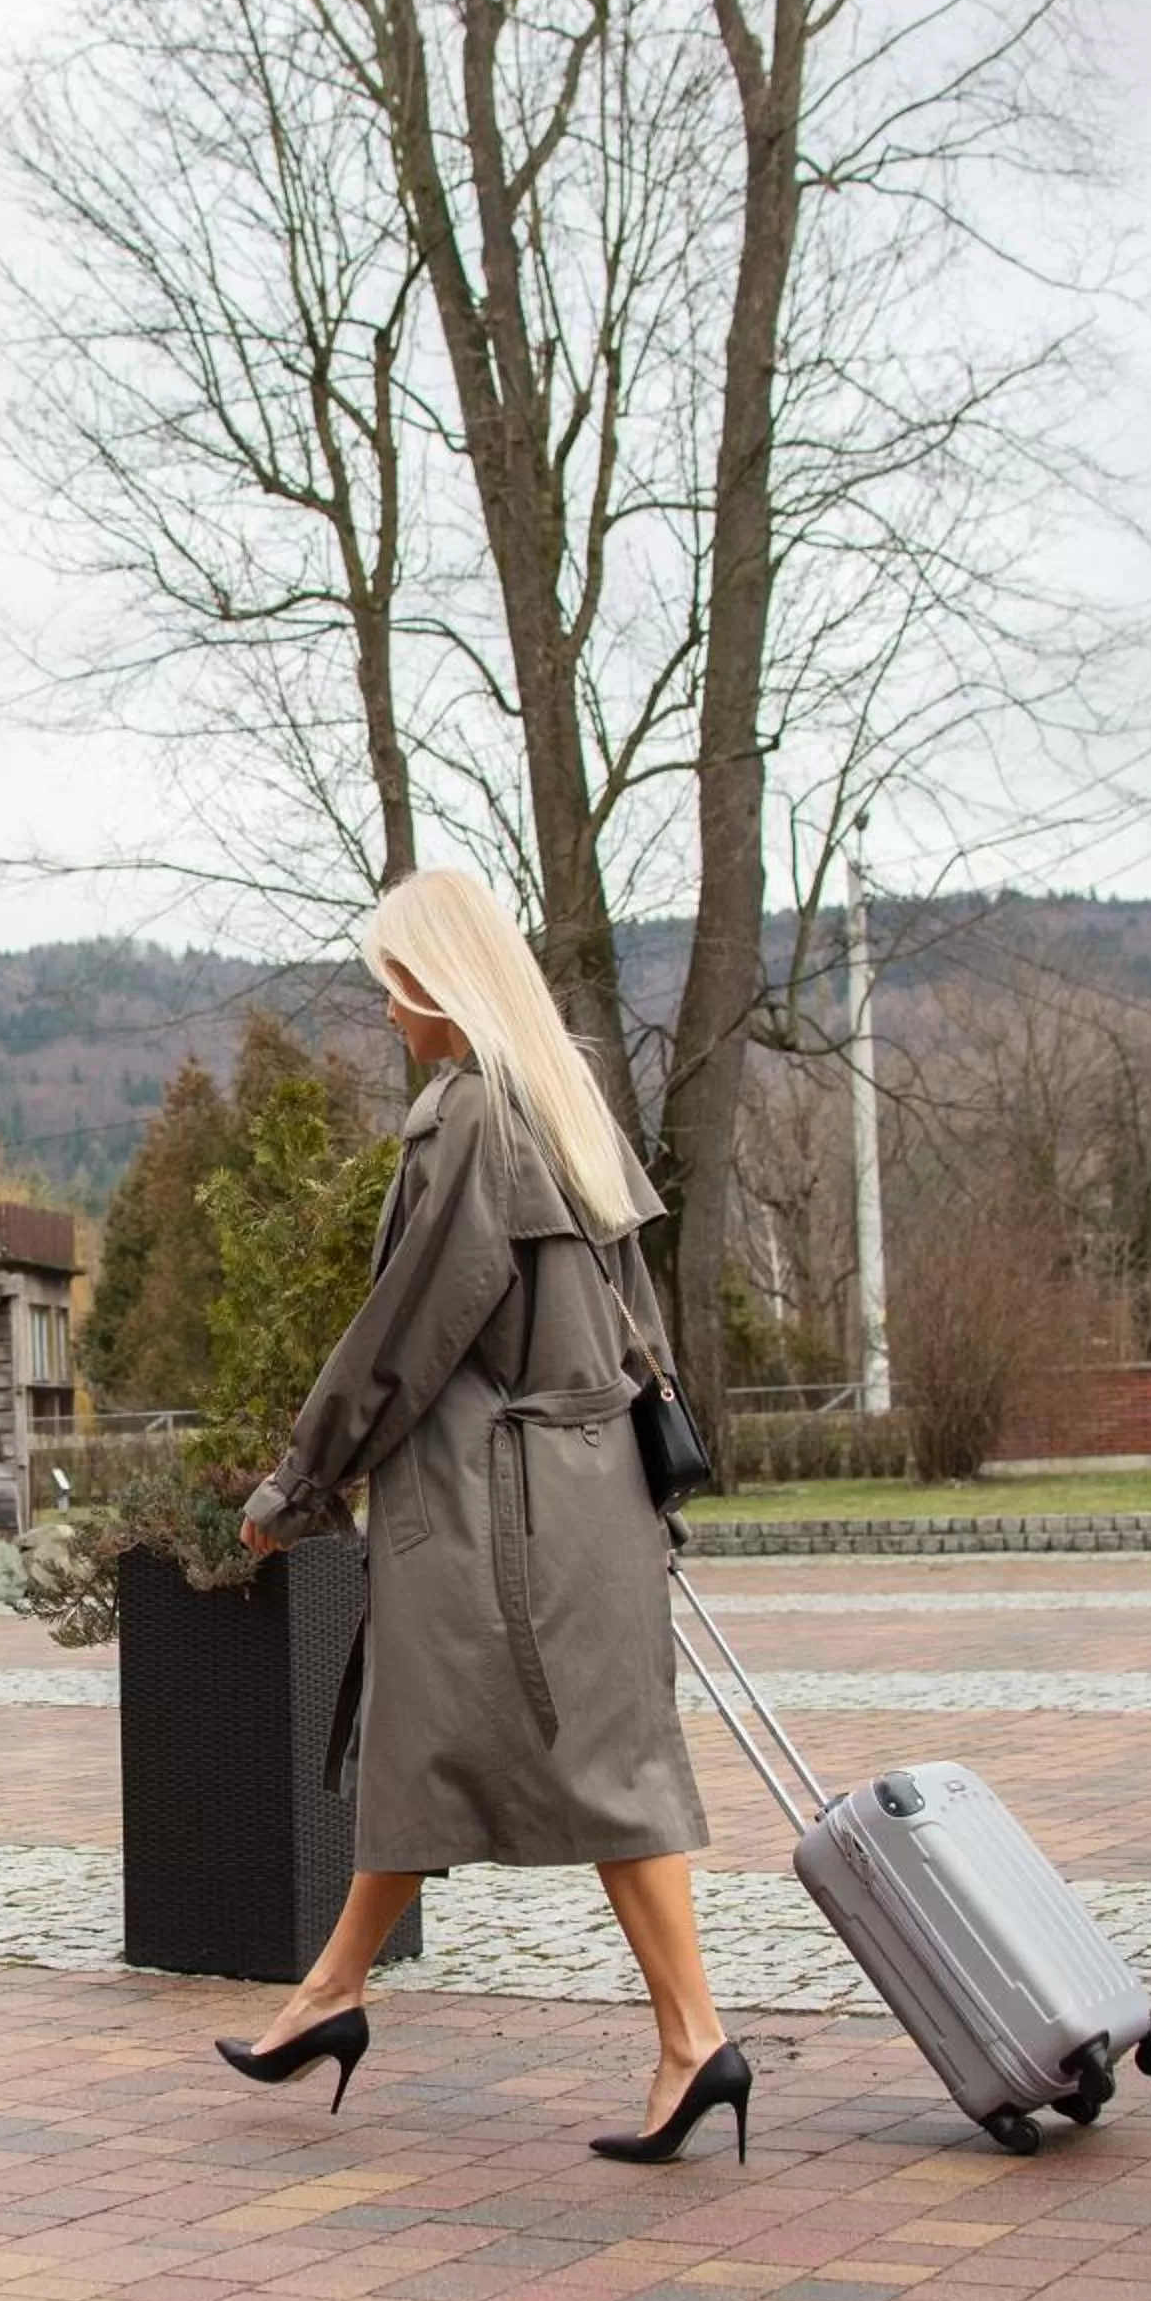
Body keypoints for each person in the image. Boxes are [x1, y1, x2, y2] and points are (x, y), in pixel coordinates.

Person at [216, 868, 750, 2164]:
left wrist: (296, 1483)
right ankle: (343, 1995)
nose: (389, 1014)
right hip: (590, 1498)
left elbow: (403, 1331)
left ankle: (681, 2038)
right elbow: (642, 1324)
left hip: (497, 1514)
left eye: (393, 985)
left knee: (513, 1753)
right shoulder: (567, 1101)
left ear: (432, 982)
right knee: (524, 1753)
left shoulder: (472, 1118)